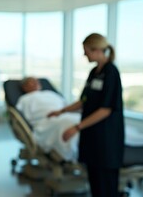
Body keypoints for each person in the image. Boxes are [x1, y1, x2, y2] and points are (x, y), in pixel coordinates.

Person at [48, 33, 124, 197]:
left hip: (107, 138)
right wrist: (61, 111)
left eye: (86, 51)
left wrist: (77, 127)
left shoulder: (111, 72)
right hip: (93, 136)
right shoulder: (94, 72)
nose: (84, 55)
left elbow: (106, 109)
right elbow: (84, 100)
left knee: (106, 186)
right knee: (95, 182)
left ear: (96, 50)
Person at [16, 77, 80, 161]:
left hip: (64, 115)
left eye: (37, 81)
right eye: (31, 82)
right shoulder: (24, 99)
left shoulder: (50, 93)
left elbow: (66, 106)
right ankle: (69, 155)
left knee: (80, 120)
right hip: (46, 121)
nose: (36, 83)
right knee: (67, 124)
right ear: (24, 87)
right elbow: (22, 116)